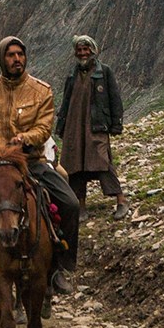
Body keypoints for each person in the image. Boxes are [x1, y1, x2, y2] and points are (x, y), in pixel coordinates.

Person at [0, 36, 80, 296]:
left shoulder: (41, 90)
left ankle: (60, 267)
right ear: (2, 58)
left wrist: (25, 138)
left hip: (30, 162)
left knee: (70, 203)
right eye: (11, 55)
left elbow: (44, 128)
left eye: (20, 54)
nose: (17, 59)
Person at [55, 35, 128, 221]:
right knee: (75, 165)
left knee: (102, 161)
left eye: (85, 49)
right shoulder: (72, 76)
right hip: (74, 127)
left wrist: (115, 124)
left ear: (92, 50)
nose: (82, 53)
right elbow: (65, 102)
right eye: (79, 50)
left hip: (96, 126)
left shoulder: (104, 72)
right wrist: (61, 126)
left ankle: (121, 201)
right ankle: (81, 207)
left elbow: (114, 98)